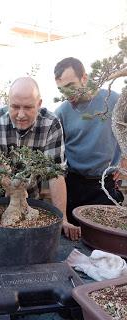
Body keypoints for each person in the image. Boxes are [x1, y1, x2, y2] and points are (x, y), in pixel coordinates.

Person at [0, 77, 81, 240]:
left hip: (32, 200)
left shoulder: (51, 123)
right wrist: (15, 190)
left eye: (28, 107)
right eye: (15, 107)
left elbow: (55, 173)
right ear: (8, 102)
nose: (21, 114)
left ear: (39, 103)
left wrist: (63, 219)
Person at [54, 57, 124, 224]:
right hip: (73, 184)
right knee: (73, 238)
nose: (67, 94)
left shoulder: (114, 101)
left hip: (105, 185)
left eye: (70, 86)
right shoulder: (61, 112)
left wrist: (125, 160)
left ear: (84, 78)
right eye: (61, 89)